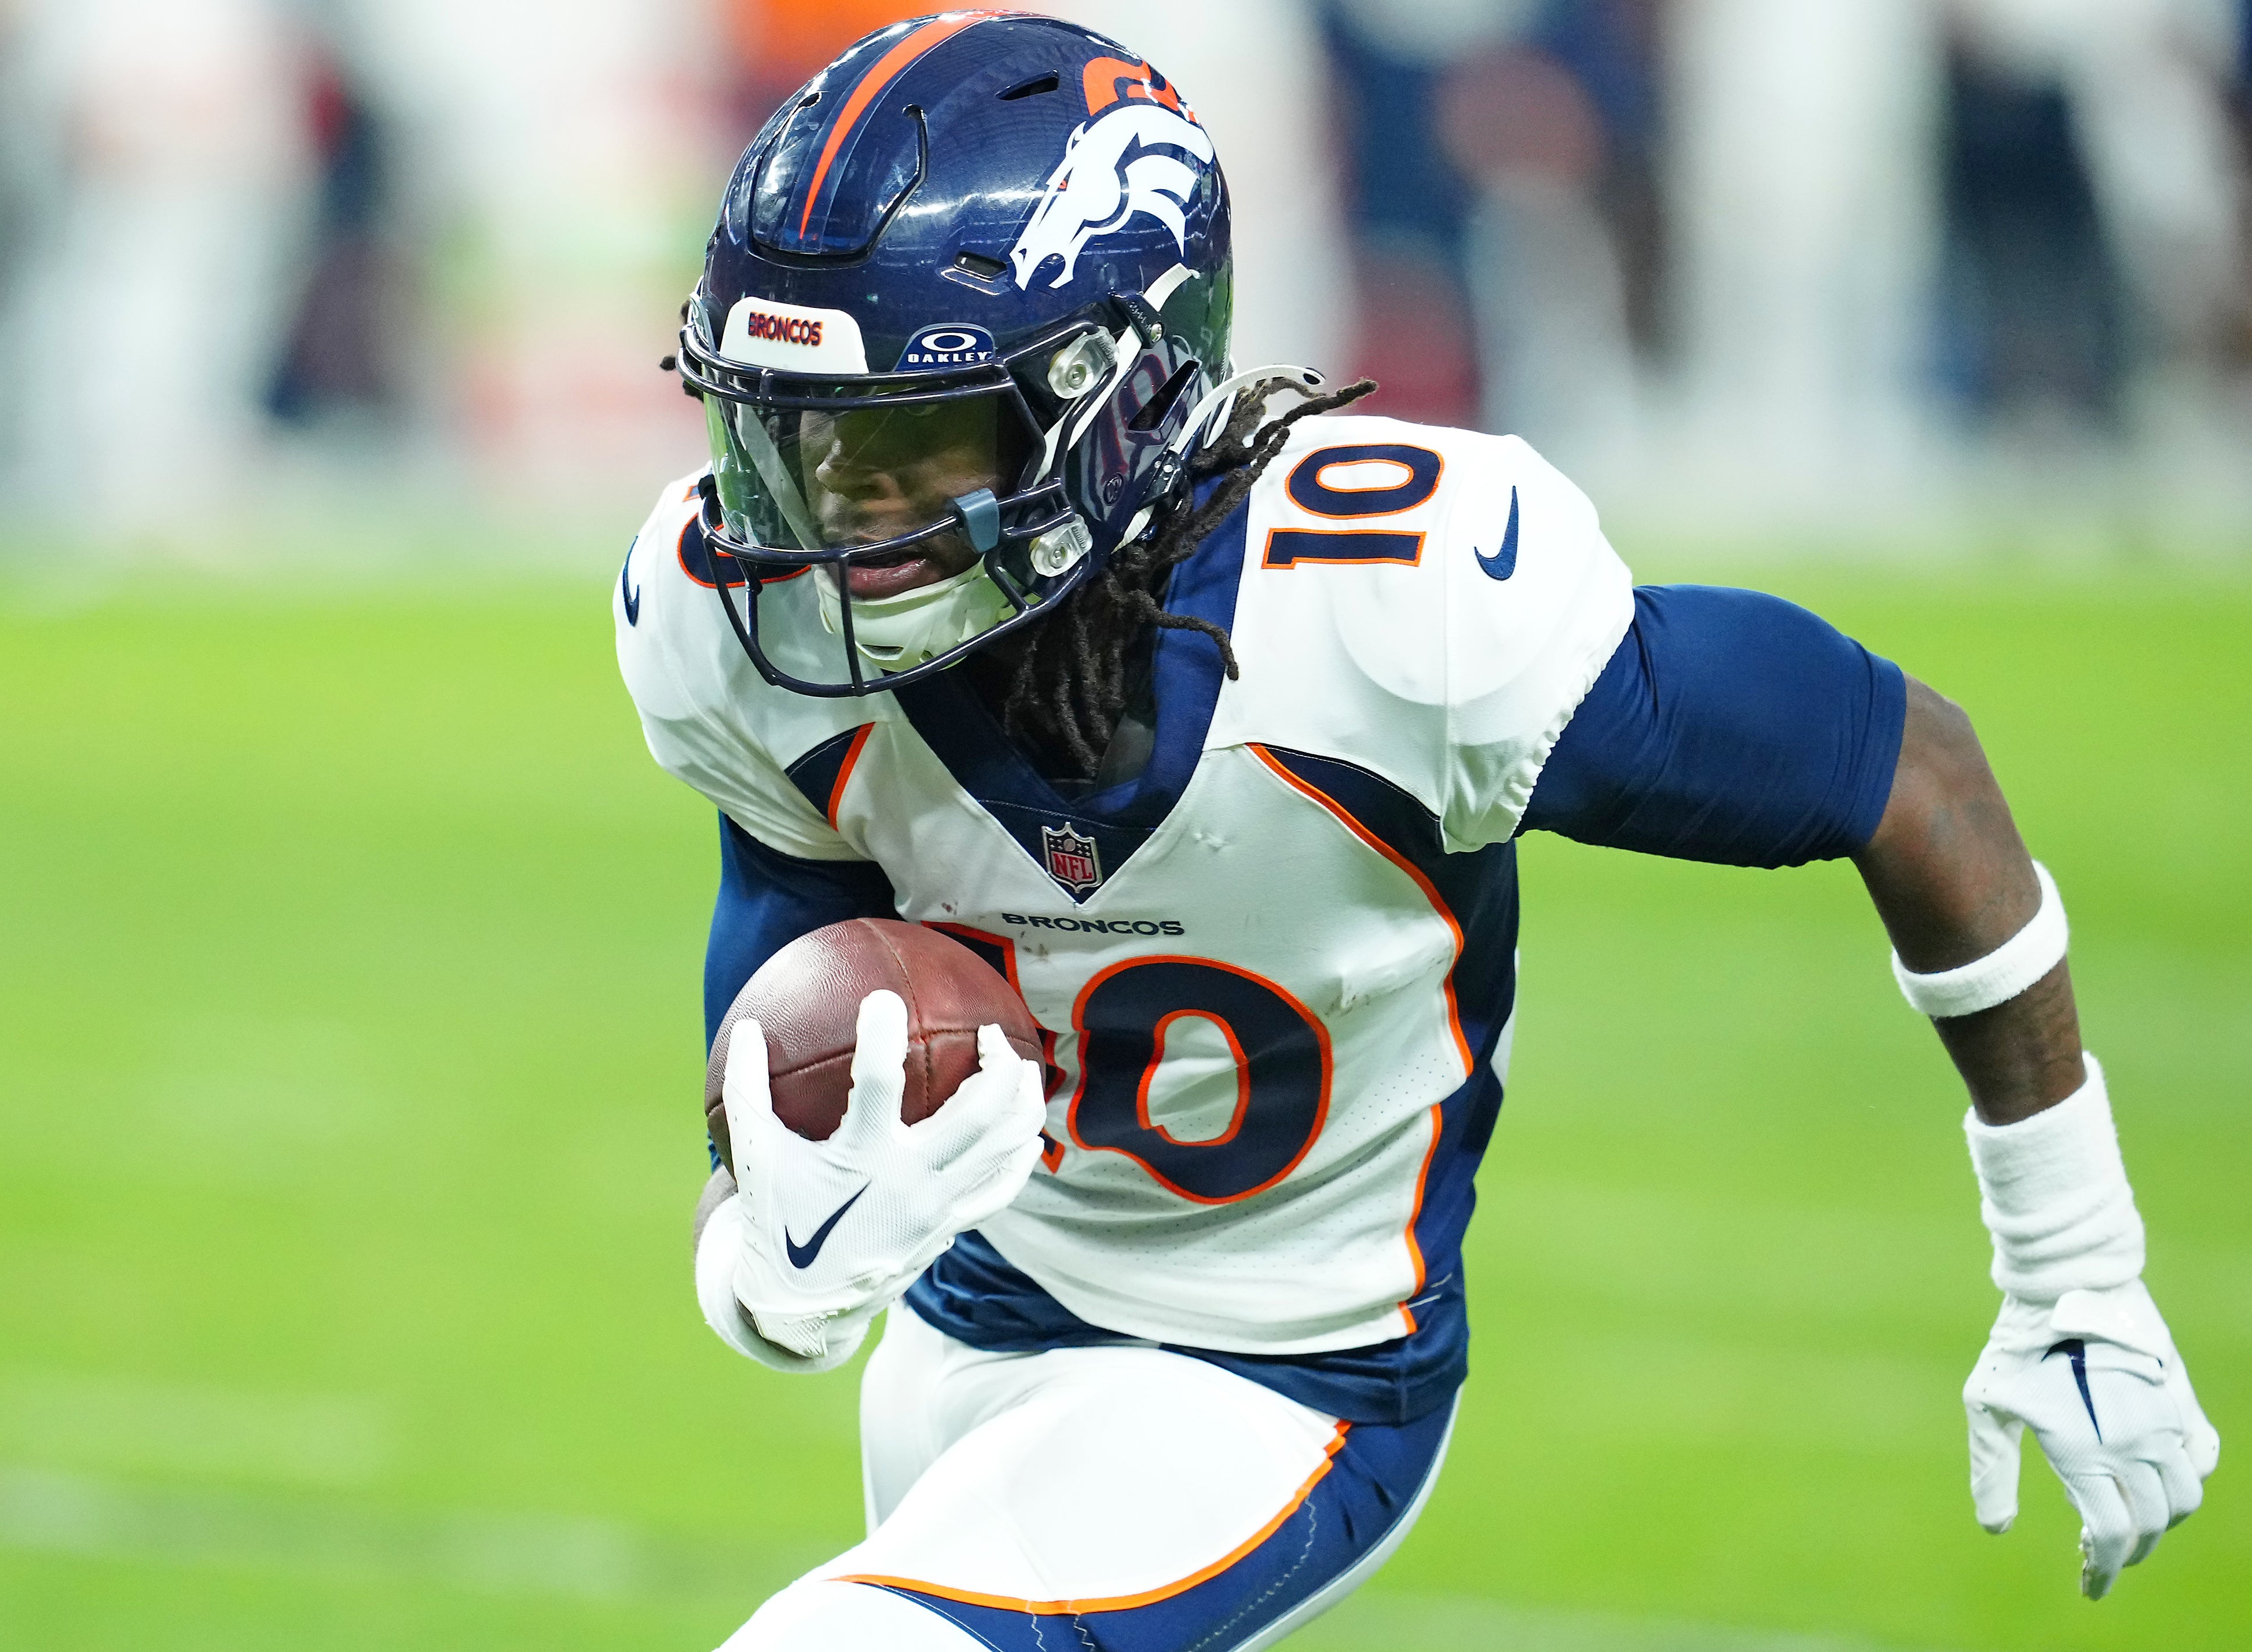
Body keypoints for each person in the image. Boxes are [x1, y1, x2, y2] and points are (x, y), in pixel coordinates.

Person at [614, 15, 2218, 1649]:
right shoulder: (735, 632)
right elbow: (780, 1076)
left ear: (1121, 389)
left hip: (1282, 1378)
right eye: (789, 439)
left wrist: (2072, 1256)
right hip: (963, 1352)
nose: (829, 530)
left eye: (902, 448)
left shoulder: (1397, 612)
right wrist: (766, 1274)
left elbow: (1905, 770)